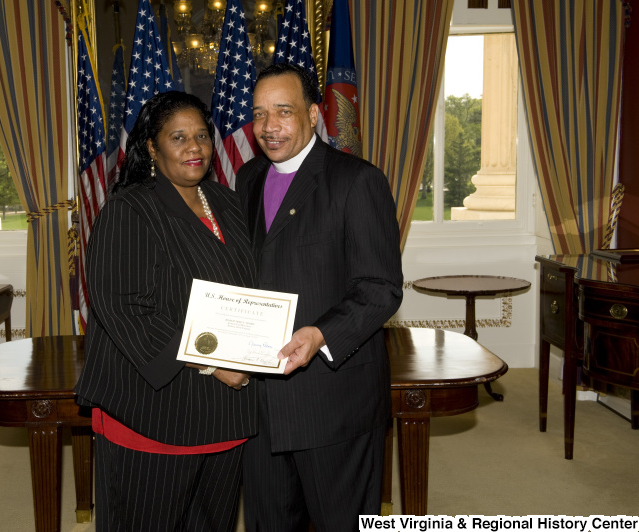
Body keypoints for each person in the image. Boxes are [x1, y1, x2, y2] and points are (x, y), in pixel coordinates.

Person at [75, 91, 257, 532]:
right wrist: (215, 362)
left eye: (201, 136)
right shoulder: (129, 210)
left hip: (225, 412)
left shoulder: (227, 202)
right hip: (156, 412)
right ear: (152, 148)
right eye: (178, 137)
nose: (194, 148)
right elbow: (126, 309)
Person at [236, 63, 403, 530]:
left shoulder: (358, 181)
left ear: (313, 115)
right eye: (259, 114)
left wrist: (319, 334)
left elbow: (381, 288)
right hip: (261, 403)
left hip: (334, 402)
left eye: (283, 112)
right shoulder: (245, 180)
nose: (269, 126)